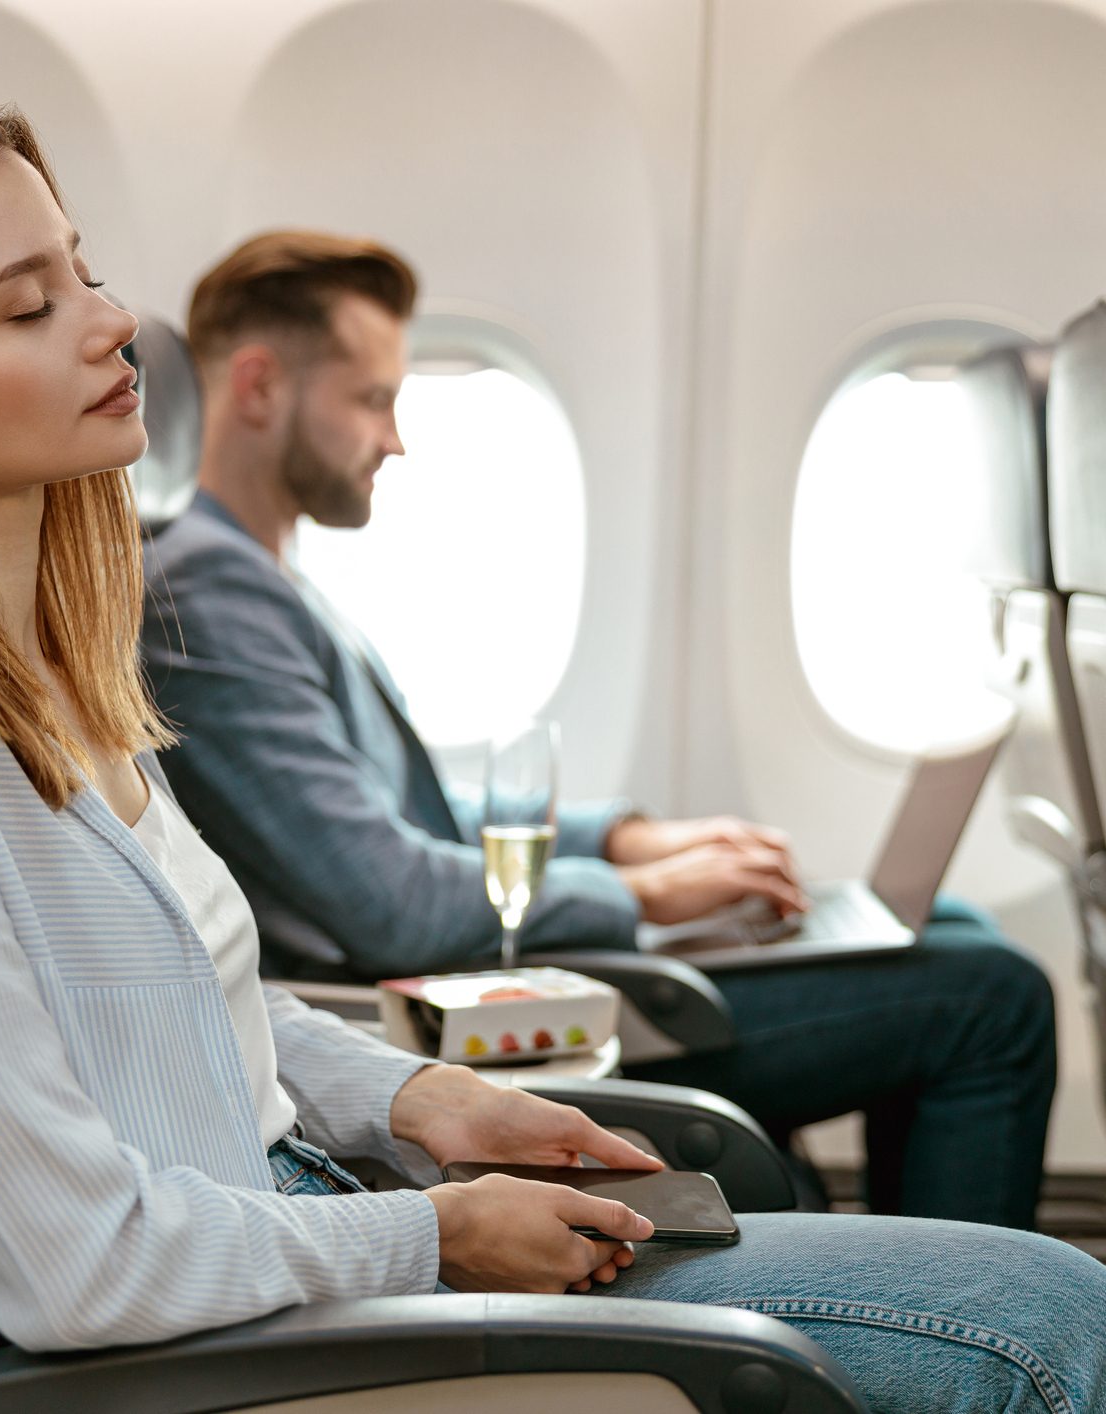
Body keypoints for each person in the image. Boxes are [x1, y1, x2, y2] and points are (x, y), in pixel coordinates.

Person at [0, 98, 1106, 1412]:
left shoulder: (43, 676)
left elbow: (179, 1010)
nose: (112, 326)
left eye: (85, 272)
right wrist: (439, 1222)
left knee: (1021, 1267)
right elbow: (73, 1265)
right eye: (29, 305)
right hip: (256, 1342)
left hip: (313, 1230)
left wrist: (417, 1101)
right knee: (1051, 1327)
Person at [141, 231, 1057, 1229]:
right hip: (432, 1015)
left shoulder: (268, 580)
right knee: (993, 999)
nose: (396, 438)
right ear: (261, 386)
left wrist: (625, 834)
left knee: (953, 928)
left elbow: (425, 817)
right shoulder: (209, 588)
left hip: (475, 974)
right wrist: (643, 893)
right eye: (372, 400)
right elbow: (389, 899)